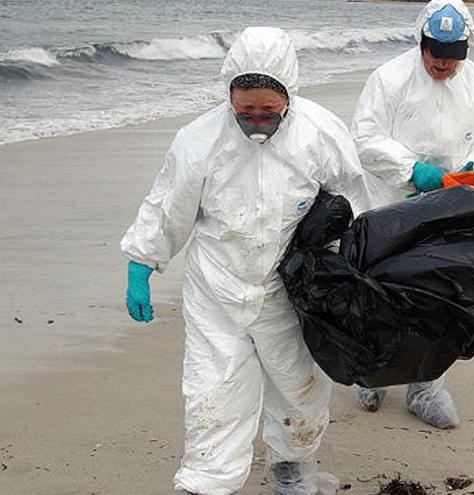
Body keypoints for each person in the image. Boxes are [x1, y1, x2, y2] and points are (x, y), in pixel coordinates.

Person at [121, 27, 386, 495]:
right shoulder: (198, 142)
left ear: (289, 96)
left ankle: (292, 471)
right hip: (217, 289)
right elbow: (168, 207)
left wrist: (355, 260)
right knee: (214, 390)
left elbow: (353, 197)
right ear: (229, 95)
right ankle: (206, 483)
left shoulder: (320, 133)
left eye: (269, 110)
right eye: (245, 110)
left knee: (298, 389)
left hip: (292, 290)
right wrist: (143, 262)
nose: (257, 120)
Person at [349, 0, 474, 429]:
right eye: (436, 57)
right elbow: (365, 137)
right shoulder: (388, 79)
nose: (443, 66)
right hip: (389, 204)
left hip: (450, 208)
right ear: (422, 45)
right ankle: (372, 373)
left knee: (441, 295)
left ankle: (425, 388)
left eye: (452, 60)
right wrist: (414, 171)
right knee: (381, 292)